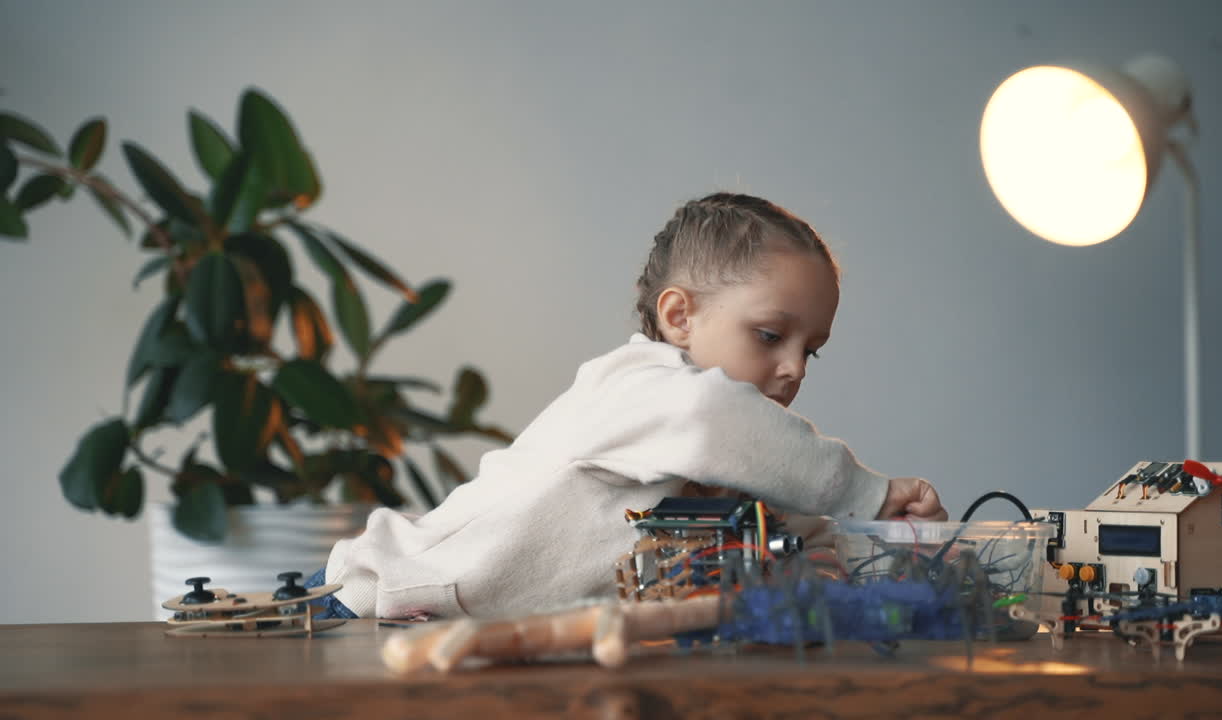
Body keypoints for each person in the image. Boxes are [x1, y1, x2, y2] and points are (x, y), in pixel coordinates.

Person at [310, 192, 946, 620]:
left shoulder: (706, 458)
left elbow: (761, 524)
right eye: (771, 336)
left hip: (464, 633)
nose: (795, 367)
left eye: (814, 349)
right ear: (679, 317)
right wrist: (869, 492)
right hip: (374, 600)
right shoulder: (646, 390)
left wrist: (883, 541)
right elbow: (716, 425)